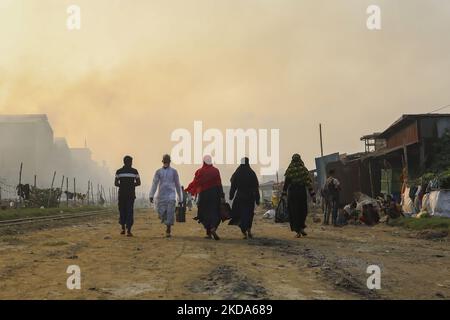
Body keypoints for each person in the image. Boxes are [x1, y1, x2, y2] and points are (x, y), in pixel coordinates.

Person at [186, 155, 224, 240]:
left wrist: (189, 188)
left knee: (204, 213)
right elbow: (219, 184)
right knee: (215, 212)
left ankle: (208, 233)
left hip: (204, 195)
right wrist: (222, 196)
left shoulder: (200, 171)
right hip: (215, 195)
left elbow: (195, 182)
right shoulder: (216, 171)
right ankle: (213, 228)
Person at [282, 154, 316, 238]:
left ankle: (298, 231)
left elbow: (286, 183)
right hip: (301, 193)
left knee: (294, 212)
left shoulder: (290, 170)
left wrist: (284, 193)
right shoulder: (303, 170)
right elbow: (308, 183)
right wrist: (313, 195)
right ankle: (301, 227)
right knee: (302, 210)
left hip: (293, 194)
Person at [149, 154, 183, 238]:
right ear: (163, 161)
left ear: (169, 162)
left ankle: (168, 229)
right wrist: (151, 195)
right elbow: (154, 183)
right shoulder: (158, 172)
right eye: (165, 161)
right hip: (161, 195)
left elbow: (178, 185)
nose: (166, 162)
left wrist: (180, 198)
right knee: (161, 212)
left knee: (170, 212)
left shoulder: (174, 172)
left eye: (167, 161)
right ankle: (166, 221)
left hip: (171, 195)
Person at [229, 157, 260, 239]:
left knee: (240, 214)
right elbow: (256, 187)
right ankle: (249, 230)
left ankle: (244, 232)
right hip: (250, 197)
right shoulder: (252, 173)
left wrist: (231, 195)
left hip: (240, 197)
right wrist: (257, 199)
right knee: (249, 214)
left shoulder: (237, 172)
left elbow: (233, 185)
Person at [115, 155, 141, 237]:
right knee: (129, 211)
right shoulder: (134, 171)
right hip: (130, 194)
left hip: (122, 194)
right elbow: (139, 183)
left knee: (122, 210)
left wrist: (123, 185)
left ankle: (123, 228)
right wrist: (131, 185)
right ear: (130, 162)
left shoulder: (119, 171)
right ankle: (128, 230)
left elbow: (116, 183)